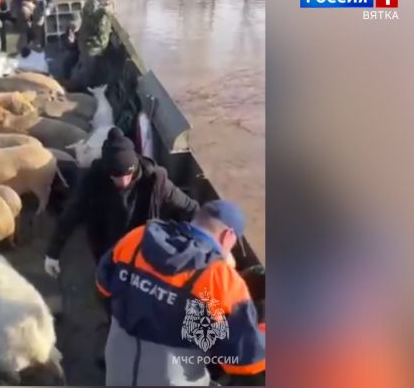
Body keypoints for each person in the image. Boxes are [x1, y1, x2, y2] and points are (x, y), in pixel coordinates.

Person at [96, 201, 266, 386]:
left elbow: (103, 285)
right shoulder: (219, 278)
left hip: (120, 365)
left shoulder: (138, 238)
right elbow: (246, 359)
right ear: (228, 236)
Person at [44, 127, 199, 278]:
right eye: (115, 176)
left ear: (135, 166)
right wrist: (53, 252)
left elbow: (190, 207)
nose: (123, 182)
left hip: (142, 251)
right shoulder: (92, 179)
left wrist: (207, 243)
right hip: (107, 249)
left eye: (128, 174)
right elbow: (72, 213)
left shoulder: (156, 181)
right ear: (106, 171)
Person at [67, 0, 118, 92]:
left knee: (84, 65)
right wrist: (104, 11)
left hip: (96, 43)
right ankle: (75, 89)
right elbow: (91, 18)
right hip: (90, 44)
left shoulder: (103, 1)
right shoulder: (93, 3)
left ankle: (75, 83)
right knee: (86, 70)